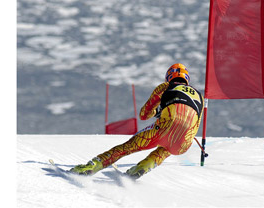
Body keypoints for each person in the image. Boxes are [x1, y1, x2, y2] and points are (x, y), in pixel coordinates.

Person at [70, 63, 204, 179]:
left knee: (125, 148)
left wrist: (157, 112)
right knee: (165, 149)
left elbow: (144, 115)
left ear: (169, 77)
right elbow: (195, 124)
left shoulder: (165, 87)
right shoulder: (200, 96)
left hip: (164, 128)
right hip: (184, 143)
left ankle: (92, 166)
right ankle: (142, 168)